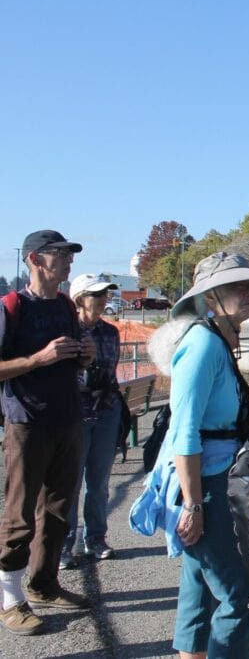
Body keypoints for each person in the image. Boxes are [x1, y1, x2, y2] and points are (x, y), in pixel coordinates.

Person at [165, 252, 249, 658]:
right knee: (241, 595)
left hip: (215, 479)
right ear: (211, 296)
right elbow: (184, 432)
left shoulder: (213, 340)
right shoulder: (203, 345)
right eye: (238, 286)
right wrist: (194, 504)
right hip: (209, 485)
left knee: (198, 588)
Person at [0, 230, 95, 636]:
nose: (69, 261)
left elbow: (68, 361)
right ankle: (10, 600)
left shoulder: (64, 307)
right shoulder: (11, 306)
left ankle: (44, 582)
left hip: (67, 418)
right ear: (35, 260)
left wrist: (83, 358)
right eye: (60, 254)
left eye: (69, 254)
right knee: (20, 513)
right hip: (26, 422)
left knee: (58, 511)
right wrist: (39, 358)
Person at [61, 274, 122, 569]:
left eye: (105, 294)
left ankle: (96, 538)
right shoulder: (67, 332)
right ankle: (64, 545)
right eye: (95, 294)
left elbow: (111, 372)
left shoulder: (110, 333)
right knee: (70, 483)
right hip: (76, 415)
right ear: (79, 299)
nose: (102, 299)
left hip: (106, 413)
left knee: (98, 482)